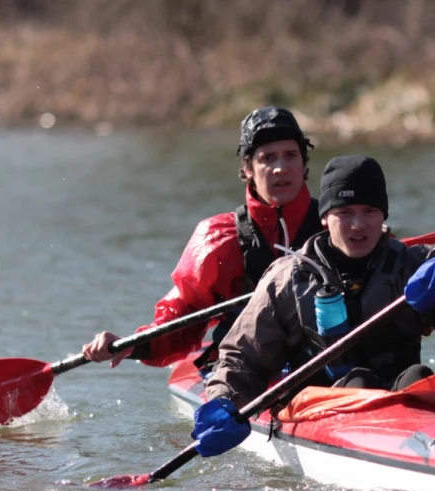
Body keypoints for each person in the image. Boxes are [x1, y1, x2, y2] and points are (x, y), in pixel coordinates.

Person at [191, 155, 435, 457]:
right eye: (345, 213)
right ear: (325, 217)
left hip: (409, 408)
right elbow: (242, 359)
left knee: (419, 376)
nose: (358, 225)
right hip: (321, 410)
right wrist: (225, 402)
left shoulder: (417, 265)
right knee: (360, 383)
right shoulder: (286, 278)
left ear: (384, 215)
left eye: (370, 211)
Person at [82, 107, 323, 369]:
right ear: (248, 168)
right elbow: (181, 320)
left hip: (325, 364)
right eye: (267, 158)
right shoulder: (219, 238)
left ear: (303, 163)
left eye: (291, 156)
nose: (281, 168)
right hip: (246, 369)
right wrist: (133, 344)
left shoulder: (337, 226)